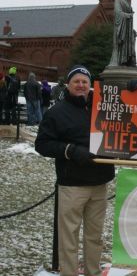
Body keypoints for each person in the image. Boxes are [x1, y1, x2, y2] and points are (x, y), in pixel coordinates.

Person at [35, 65, 117, 276]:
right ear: (69, 85)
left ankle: (92, 272)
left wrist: (133, 89)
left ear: (90, 85)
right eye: (76, 82)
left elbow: (127, 109)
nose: (81, 85)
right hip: (72, 184)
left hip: (99, 183)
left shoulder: (101, 108)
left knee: (95, 237)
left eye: (84, 82)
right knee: (69, 237)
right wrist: (70, 150)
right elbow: (42, 144)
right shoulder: (56, 112)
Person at [109, 0, 137, 66]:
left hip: (128, 28)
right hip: (122, 27)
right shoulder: (117, 1)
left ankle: (128, 60)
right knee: (122, 44)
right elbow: (118, 13)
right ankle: (121, 60)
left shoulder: (128, 3)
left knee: (130, 42)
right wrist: (128, 15)